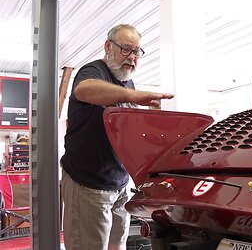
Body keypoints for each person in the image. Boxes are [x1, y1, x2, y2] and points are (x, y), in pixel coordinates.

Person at [60, 24, 174, 250]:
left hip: (119, 183)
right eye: (126, 50)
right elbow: (84, 90)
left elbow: (128, 132)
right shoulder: (93, 71)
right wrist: (136, 96)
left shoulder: (127, 81)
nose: (132, 57)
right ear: (108, 46)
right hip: (88, 183)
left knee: (117, 245)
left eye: (137, 52)